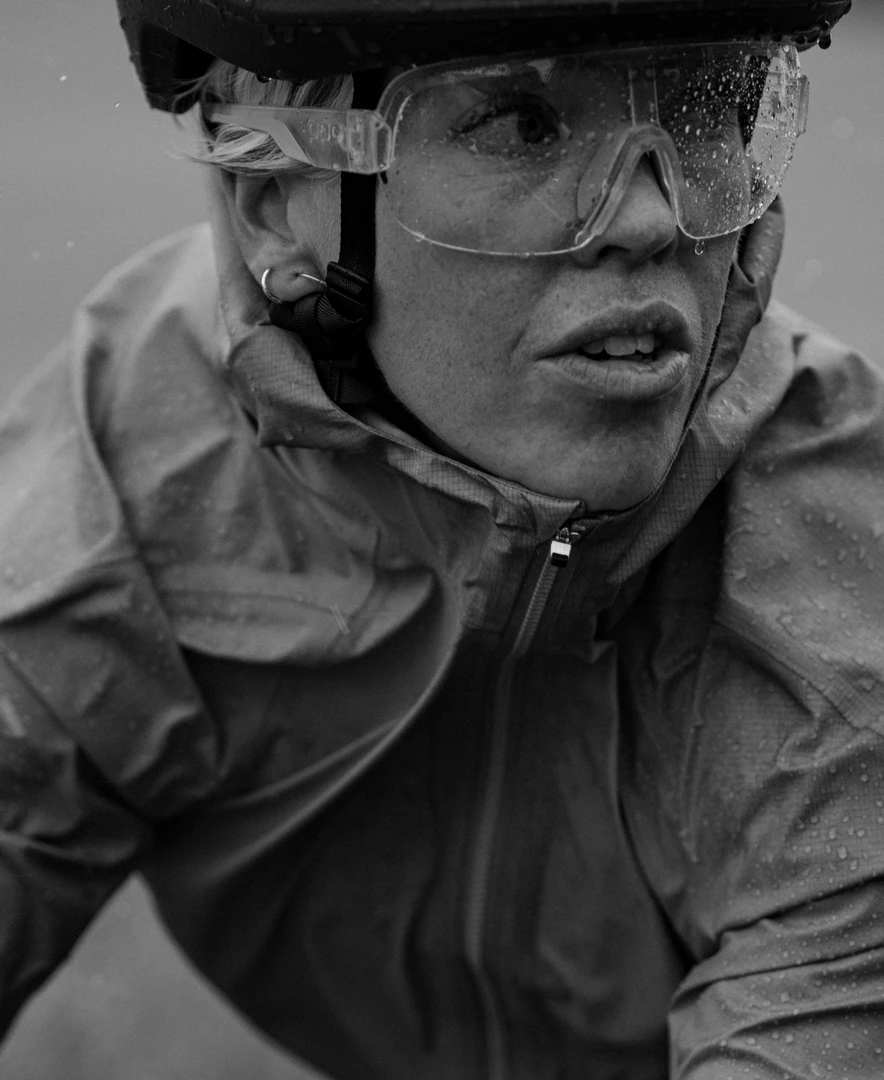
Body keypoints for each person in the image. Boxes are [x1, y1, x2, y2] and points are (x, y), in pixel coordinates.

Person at [1, 0, 881, 1077]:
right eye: (518, 123)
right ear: (279, 207)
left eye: (701, 111)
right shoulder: (131, 465)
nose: (651, 217)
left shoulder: (845, 579)